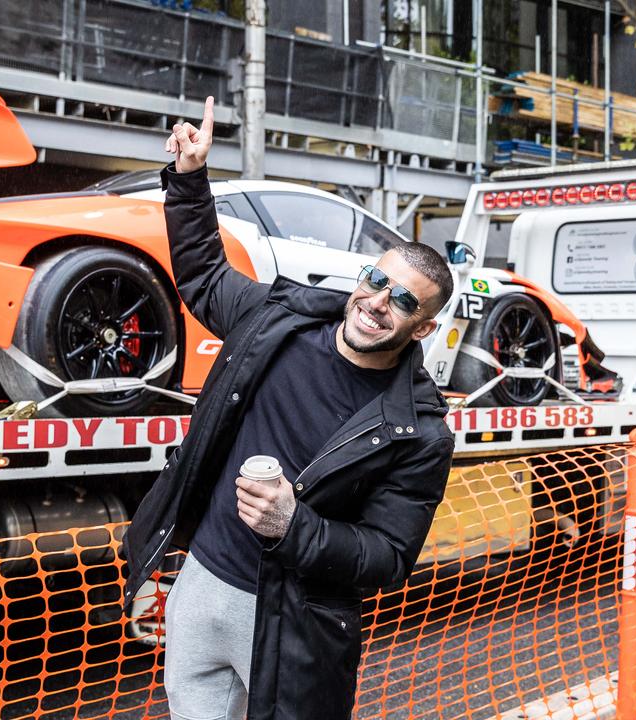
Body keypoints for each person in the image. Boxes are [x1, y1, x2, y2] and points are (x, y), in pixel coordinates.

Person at [122, 98, 455, 720]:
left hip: (290, 619)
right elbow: (202, 274)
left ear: (422, 329)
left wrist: (290, 525)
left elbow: (387, 556)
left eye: (404, 301)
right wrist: (191, 178)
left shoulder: (419, 433)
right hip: (200, 585)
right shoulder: (278, 321)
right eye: (376, 281)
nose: (379, 302)